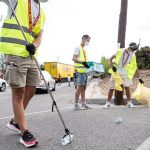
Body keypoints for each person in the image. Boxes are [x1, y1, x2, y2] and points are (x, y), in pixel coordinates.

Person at [0, 0, 47, 147]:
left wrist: (35, 45)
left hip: (30, 54)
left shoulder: (42, 13)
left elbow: (39, 35)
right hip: (14, 52)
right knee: (19, 92)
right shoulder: (17, 1)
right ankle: (24, 132)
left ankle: (15, 121)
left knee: (31, 90)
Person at [103, 42, 144, 109]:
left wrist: (139, 78)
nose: (133, 51)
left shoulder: (133, 55)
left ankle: (130, 103)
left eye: (134, 50)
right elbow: (110, 59)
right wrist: (112, 66)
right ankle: (107, 103)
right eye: (133, 49)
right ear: (129, 47)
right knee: (112, 87)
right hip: (116, 71)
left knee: (127, 87)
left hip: (124, 71)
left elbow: (135, 67)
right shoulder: (120, 51)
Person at [72, 34, 91, 110]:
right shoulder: (78, 47)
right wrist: (83, 63)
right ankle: (76, 105)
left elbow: (84, 61)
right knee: (79, 88)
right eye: (88, 40)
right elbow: (73, 58)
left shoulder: (84, 50)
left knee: (83, 88)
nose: (88, 42)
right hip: (80, 71)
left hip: (84, 71)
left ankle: (83, 104)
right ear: (83, 39)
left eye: (89, 41)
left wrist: (88, 65)